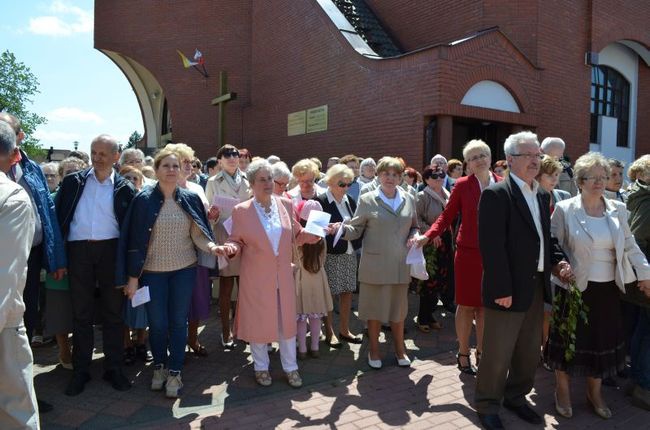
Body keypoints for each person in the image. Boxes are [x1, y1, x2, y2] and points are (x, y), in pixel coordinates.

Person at [475, 131, 570, 429]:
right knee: (497, 352)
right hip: (507, 288)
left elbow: (545, 237)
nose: (535, 161)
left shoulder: (542, 194)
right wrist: (501, 288)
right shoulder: (496, 194)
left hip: (536, 284)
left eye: (537, 155)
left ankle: (516, 397)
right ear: (510, 160)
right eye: (529, 155)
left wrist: (558, 261)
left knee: (529, 351)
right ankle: (488, 404)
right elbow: (492, 247)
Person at [545, 152, 650, 420]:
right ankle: (563, 390)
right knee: (570, 340)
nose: (600, 182)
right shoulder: (566, 209)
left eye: (604, 177)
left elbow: (630, 244)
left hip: (608, 289)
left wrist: (645, 274)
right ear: (580, 181)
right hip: (575, 287)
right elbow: (551, 243)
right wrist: (559, 266)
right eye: (593, 177)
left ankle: (594, 393)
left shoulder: (618, 208)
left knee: (600, 342)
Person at [118, 147, 219, 398]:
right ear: (157, 170)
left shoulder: (190, 197)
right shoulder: (142, 200)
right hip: (152, 273)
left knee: (178, 322)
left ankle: (175, 371)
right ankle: (159, 367)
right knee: (158, 323)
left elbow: (198, 234)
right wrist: (132, 278)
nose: (172, 170)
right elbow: (133, 241)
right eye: (167, 166)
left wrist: (214, 247)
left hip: (184, 271)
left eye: (176, 166)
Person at [215, 159, 319, 388]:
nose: (268, 183)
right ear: (252, 184)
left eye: (270, 178)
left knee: (286, 324)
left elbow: (297, 234)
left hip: (283, 275)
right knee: (259, 323)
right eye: (262, 179)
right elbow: (236, 240)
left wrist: (314, 235)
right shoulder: (241, 211)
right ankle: (260, 368)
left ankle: (291, 368)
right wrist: (230, 248)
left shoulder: (285, 204)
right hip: (256, 278)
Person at [55, 134, 136, 396]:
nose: (97, 158)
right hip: (78, 251)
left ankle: (114, 368)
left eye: (103, 153)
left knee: (113, 313)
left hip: (112, 251)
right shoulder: (72, 182)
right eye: (94, 152)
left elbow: (131, 230)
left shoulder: (125, 187)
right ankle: (81, 370)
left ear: (116, 156)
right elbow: (58, 220)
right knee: (82, 313)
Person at [416, 140, 501, 376]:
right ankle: (463, 352)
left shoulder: (504, 184)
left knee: (485, 307)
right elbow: (447, 216)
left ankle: (482, 351)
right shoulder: (463, 185)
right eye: (473, 157)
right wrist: (428, 235)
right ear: (467, 164)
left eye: (483, 155)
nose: (479, 160)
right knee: (465, 306)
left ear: (490, 157)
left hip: (494, 255)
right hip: (468, 254)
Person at [336, 157, 419, 369]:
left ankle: (400, 350)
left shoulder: (409, 198)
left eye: (395, 174)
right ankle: (374, 350)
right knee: (373, 311)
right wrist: (340, 230)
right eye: (386, 174)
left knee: (398, 311)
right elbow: (356, 229)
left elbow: (414, 226)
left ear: (401, 178)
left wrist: (415, 235)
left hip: (400, 265)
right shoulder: (367, 198)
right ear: (379, 176)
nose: (390, 178)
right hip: (374, 266)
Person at [0, 121, 40, 430]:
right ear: (15, 155)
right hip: (4, 327)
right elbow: (4, 276)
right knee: (15, 415)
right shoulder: (12, 198)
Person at [166, 143, 215, 356]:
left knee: (196, 299)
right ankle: (174, 346)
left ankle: (193, 340)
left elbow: (203, 221)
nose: (188, 166)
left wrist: (211, 216)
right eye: (182, 162)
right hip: (173, 254)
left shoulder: (196, 188)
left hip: (198, 252)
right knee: (175, 303)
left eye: (189, 162)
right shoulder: (164, 189)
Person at [205, 144, 252, 349]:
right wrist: (213, 216)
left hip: (247, 236)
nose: (232, 157)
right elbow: (208, 215)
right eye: (227, 155)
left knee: (246, 287)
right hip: (225, 235)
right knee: (226, 286)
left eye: (235, 154)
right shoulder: (213, 181)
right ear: (220, 160)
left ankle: (244, 329)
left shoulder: (249, 179)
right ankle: (226, 331)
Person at [314, 164, 363, 348]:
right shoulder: (320, 201)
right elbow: (315, 231)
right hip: (331, 254)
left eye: (349, 183)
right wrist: (330, 228)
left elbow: (358, 224)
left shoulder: (350, 200)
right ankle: (330, 332)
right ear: (331, 182)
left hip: (349, 252)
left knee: (347, 292)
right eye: (342, 184)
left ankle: (344, 329)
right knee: (329, 294)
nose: (346, 187)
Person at [535, 156, 571, 358]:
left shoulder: (562, 197)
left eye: (557, 174)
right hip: (538, 262)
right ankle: (539, 346)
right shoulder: (531, 196)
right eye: (550, 175)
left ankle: (547, 348)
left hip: (557, 260)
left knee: (552, 309)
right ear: (539, 175)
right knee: (542, 309)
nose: (554, 179)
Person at [118, 166, 152, 365]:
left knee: (142, 303)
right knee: (123, 304)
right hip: (122, 260)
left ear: (141, 181)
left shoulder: (146, 201)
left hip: (144, 262)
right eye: (127, 177)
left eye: (135, 178)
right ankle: (126, 344)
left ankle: (141, 342)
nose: (131, 180)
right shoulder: (117, 201)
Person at [294, 200, 333, 359]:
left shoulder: (298, 238)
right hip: (317, 278)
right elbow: (323, 257)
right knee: (316, 316)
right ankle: (315, 346)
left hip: (299, 279)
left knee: (301, 318)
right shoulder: (321, 238)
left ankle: (302, 349)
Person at [626, 155, 650, 411]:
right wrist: (645, 277)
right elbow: (638, 240)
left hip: (644, 273)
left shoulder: (638, 196)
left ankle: (637, 382)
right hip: (647, 275)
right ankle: (643, 386)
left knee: (644, 328)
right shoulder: (646, 200)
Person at [415, 165, 451, 332]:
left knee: (441, 280)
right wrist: (431, 233)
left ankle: (430, 315)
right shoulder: (422, 196)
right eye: (435, 176)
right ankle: (423, 317)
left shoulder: (447, 194)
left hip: (445, 242)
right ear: (427, 179)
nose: (439, 179)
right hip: (430, 243)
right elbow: (416, 220)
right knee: (429, 280)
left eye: (441, 175)